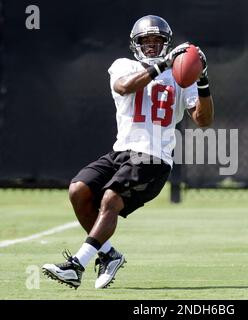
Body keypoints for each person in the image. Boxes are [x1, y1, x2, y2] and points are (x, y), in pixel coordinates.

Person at [42, 15, 214, 289]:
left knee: (111, 198)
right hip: (121, 152)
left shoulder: (181, 76)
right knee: (79, 190)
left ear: (166, 44)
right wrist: (163, 65)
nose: (151, 46)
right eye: (146, 41)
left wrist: (202, 78)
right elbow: (124, 87)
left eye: (157, 41)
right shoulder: (123, 65)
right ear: (135, 44)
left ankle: (77, 265)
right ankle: (109, 255)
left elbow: (203, 120)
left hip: (154, 156)